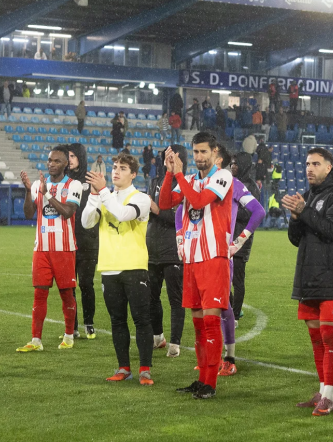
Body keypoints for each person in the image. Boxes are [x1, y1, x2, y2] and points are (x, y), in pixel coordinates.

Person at [159, 132, 234, 400]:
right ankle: (201, 379)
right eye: (196, 152)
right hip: (191, 259)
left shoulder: (223, 176)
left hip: (214, 258)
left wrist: (179, 175)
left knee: (212, 323)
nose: (200, 157)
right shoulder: (188, 179)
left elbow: (201, 201)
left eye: (204, 152)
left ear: (215, 153)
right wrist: (170, 173)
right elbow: (165, 203)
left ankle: (210, 384)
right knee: (200, 326)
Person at [281, 148, 333, 416]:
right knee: (315, 338)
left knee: (328, 337)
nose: (309, 169)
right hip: (309, 276)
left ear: (329, 167)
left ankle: (330, 397)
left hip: (332, 277)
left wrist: (305, 211)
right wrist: (295, 218)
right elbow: (296, 239)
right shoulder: (310, 194)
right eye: (307, 164)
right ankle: (322, 390)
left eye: (315, 164)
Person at [81, 151, 155, 383]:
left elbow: (123, 215)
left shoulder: (140, 198)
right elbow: (86, 222)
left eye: (123, 168)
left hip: (134, 266)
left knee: (141, 319)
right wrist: (95, 195)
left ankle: (145, 369)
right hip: (109, 267)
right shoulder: (105, 196)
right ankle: (123, 368)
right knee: (117, 321)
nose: (116, 171)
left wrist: (102, 191)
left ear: (133, 174)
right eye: (114, 167)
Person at [16, 148, 84, 352]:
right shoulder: (38, 185)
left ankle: (69, 336)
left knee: (66, 294)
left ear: (66, 164)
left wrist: (47, 194)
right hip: (42, 248)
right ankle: (36, 340)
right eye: (49, 160)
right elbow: (29, 214)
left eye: (56, 161)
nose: (51, 164)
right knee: (39, 293)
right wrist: (29, 191)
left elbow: (68, 212)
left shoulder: (74, 185)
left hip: (64, 248)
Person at [220, 150, 265, 375]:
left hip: (240, 240)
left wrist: (234, 215)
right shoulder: (227, 181)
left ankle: (235, 314)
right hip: (227, 239)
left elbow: (254, 213)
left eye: (238, 163)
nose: (234, 165)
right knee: (227, 282)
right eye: (233, 163)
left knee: (237, 277)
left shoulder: (246, 186)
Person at [147, 145, 187, 358]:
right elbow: (150, 210)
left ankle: (176, 343)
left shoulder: (185, 184)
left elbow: (179, 218)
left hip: (173, 249)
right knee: (152, 297)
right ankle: (158, 337)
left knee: (175, 299)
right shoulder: (155, 182)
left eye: (172, 157)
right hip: (152, 248)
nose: (167, 160)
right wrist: (154, 210)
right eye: (165, 157)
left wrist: (157, 210)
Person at [64, 144, 98, 339]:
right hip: (68, 239)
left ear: (81, 157)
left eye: (73, 156)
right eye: (68, 156)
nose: (70, 159)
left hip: (89, 240)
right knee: (69, 286)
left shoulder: (90, 178)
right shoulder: (64, 180)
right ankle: (73, 326)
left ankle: (89, 323)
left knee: (86, 283)